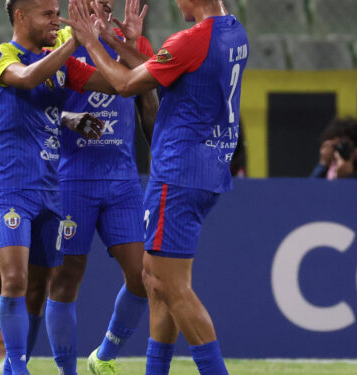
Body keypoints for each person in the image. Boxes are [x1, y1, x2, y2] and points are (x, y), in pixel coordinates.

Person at [64, 0, 247, 373]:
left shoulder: (191, 40)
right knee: (154, 279)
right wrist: (115, 41)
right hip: (209, 167)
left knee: (172, 286)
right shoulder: (234, 31)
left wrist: (90, 41)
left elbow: (125, 83)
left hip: (178, 172)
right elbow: (166, 66)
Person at [0, 1, 119, 373]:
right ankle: (19, 369)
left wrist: (106, 41)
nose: (56, 20)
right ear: (20, 16)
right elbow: (25, 80)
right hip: (7, 186)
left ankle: (14, 368)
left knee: (39, 290)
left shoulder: (60, 62)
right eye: (48, 14)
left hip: (48, 189)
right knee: (15, 279)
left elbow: (116, 83)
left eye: (58, 13)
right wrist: (74, 41)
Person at [44, 1, 157, 375]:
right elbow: (36, 106)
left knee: (145, 278)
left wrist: (162, 159)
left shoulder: (131, 43)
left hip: (122, 180)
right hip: (72, 178)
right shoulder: (60, 41)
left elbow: (148, 106)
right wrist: (71, 118)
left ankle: (104, 355)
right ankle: (66, 371)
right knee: (66, 277)